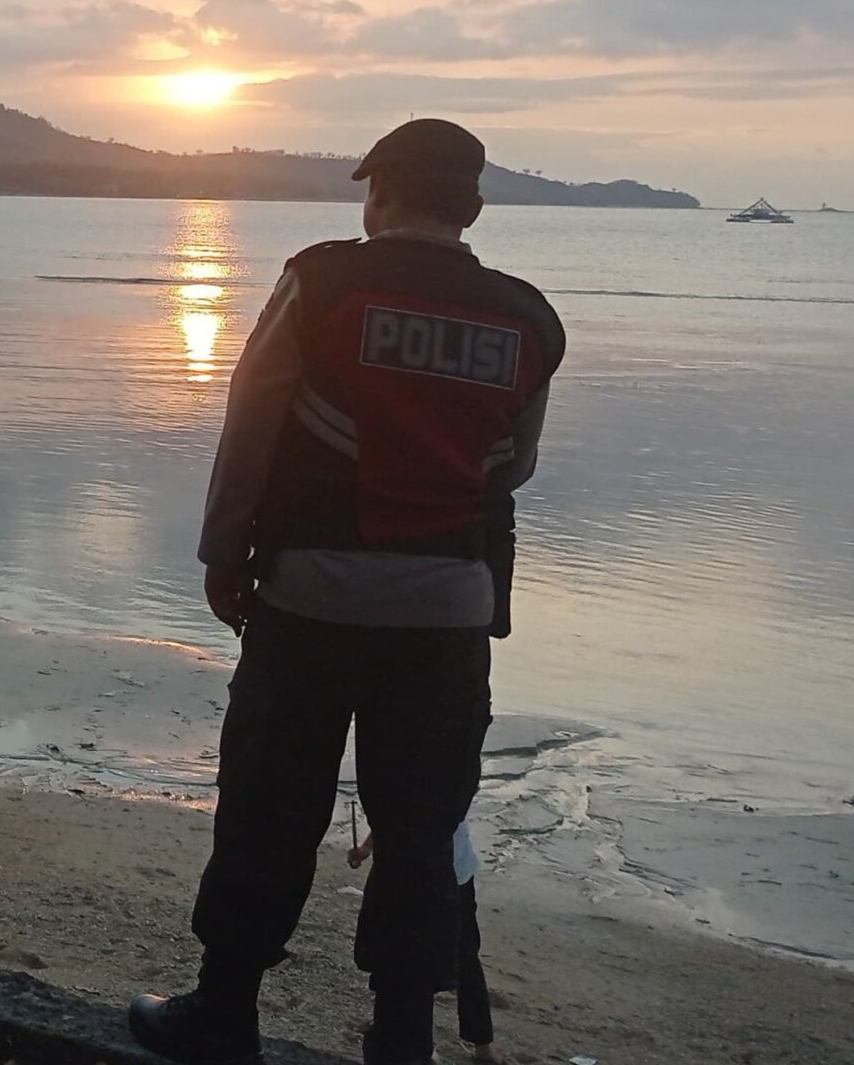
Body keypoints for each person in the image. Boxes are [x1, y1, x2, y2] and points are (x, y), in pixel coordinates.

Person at [130, 118, 564, 1065]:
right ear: (473, 208)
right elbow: (513, 465)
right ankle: (403, 1038)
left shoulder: (324, 280)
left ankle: (224, 1011)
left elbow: (250, 421)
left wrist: (220, 552)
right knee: (422, 827)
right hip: (450, 613)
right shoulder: (529, 318)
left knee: (270, 808)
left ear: (378, 196)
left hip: (310, 600)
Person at [349, 820, 503, 1064]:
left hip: (452, 874)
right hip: (408, 871)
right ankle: (389, 1028)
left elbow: (428, 808)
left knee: (463, 955)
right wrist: (368, 848)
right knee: (400, 952)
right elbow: (394, 810)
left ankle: (482, 1043)